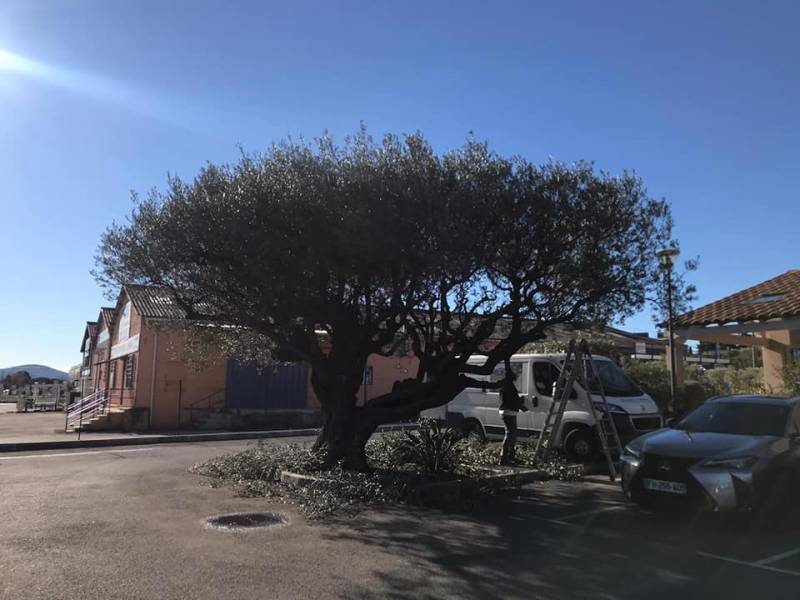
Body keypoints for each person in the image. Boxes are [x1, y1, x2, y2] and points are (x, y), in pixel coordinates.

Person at [499, 358, 526, 466]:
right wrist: (521, 403)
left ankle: (510, 456)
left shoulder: (507, 385)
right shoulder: (508, 386)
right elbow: (512, 400)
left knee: (512, 433)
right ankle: (504, 457)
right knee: (510, 433)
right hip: (508, 411)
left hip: (509, 411)